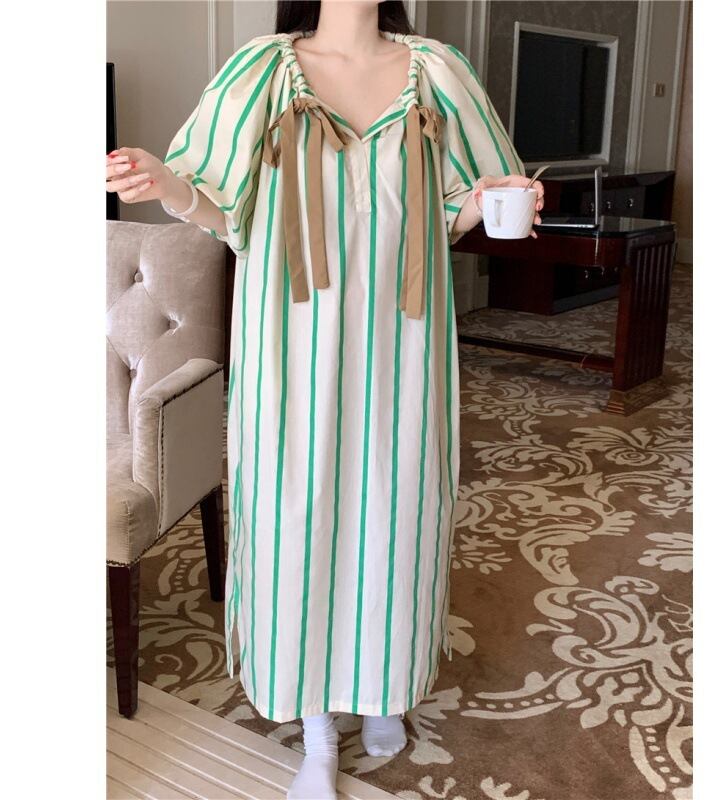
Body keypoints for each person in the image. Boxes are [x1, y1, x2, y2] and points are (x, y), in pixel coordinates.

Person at [105, 1, 544, 797]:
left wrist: (496, 200)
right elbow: (222, 207)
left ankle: (382, 686)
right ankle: (315, 728)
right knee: (295, 516)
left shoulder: (439, 71)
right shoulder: (260, 72)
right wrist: (166, 183)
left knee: (397, 509)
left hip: (406, 338)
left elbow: (461, 204)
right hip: (290, 338)